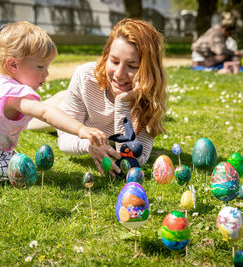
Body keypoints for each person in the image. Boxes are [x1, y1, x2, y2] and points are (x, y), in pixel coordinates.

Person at [0, 21, 108, 194]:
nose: (46, 73)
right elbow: (46, 112)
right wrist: (81, 129)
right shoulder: (16, 95)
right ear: (13, 65)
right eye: (40, 66)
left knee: (16, 158)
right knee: (23, 170)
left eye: (47, 67)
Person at [28, 18, 166, 177]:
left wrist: (122, 103)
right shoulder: (85, 77)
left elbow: (136, 160)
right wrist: (89, 145)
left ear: (148, 69)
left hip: (94, 125)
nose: (119, 74)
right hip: (61, 105)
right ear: (106, 56)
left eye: (132, 66)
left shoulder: (150, 97)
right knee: (26, 121)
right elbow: (65, 140)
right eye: (114, 61)